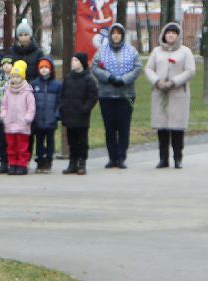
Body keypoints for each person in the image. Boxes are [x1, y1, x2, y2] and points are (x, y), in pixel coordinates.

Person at [146, 22, 196, 169]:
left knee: (177, 128)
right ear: (164, 35)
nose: (171, 35)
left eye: (174, 33)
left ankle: (178, 158)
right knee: (162, 128)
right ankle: (163, 159)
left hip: (178, 93)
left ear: (178, 35)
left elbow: (190, 70)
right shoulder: (156, 52)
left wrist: (174, 82)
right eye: (168, 33)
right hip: (160, 93)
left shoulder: (185, 51)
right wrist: (157, 81)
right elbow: (149, 68)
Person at [92, 22, 142, 169]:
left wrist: (124, 79)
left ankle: (121, 157)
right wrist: (109, 77)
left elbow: (138, 68)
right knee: (109, 128)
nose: (116, 36)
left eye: (118, 33)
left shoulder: (131, 51)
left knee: (123, 127)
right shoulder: (101, 51)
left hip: (125, 94)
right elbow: (94, 67)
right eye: (113, 33)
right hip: (106, 95)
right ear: (110, 35)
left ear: (122, 35)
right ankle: (112, 157)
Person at [60, 51, 99, 174]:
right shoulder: (68, 78)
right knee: (71, 141)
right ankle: (72, 163)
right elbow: (63, 94)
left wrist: (85, 108)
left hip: (81, 116)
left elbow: (93, 97)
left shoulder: (89, 79)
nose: (73, 63)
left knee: (82, 141)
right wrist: (63, 107)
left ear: (82, 63)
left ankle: (82, 163)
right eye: (72, 60)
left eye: (75, 60)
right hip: (69, 114)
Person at [1, 60, 36, 174]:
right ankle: (13, 164)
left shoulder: (27, 91)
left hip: (22, 124)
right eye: (13, 77)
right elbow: (4, 105)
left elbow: (31, 107)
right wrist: (4, 115)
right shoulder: (8, 91)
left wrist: (28, 118)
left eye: (17, 77)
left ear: (22, 77)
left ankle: (22, 164)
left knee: (22, 147)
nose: (15, 79)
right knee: (11, 146)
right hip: (10, 124)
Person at [30, 58, 62, 173]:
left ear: (51, 69)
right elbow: (30, 101)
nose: (44, 70)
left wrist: (57, 115)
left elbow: (60, 102)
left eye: (46, 67)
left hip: (50, 119)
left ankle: (48, 161)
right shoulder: (34, 84)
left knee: (50, 142)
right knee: (39, 142)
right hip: (37, 119)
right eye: (41, 68)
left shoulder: (57, 85)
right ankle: (40, 161)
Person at [3, 19, 46, 84]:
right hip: (15, 85)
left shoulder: (38, 52)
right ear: (17, 36)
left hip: (33, 85)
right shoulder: (11, 51)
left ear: (30, 36)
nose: (23, 37)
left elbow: (41, 70)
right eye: (20, 35)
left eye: (26, 35)